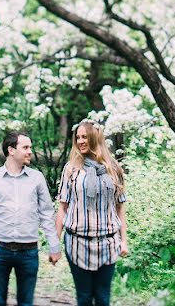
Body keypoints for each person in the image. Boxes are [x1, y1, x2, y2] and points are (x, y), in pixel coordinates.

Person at [0, 130, 62, 306]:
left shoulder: (37, 179)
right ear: (11, 150)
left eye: (30, 147)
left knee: (26, 303)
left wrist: (54, 246)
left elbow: (46, 214)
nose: (30, 151)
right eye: (26, 147)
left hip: (28, 252)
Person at [56, 120, 129, 306]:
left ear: (95, 138)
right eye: (78, 137)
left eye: (85, 137)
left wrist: (124, 241)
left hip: (108, 243)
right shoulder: (71, 169)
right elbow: (62, 208)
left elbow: (120, 207)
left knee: (103, 297)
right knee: (84, 297)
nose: (80, 141)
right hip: (77, 243)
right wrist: (54, 241)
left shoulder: (113, 169)